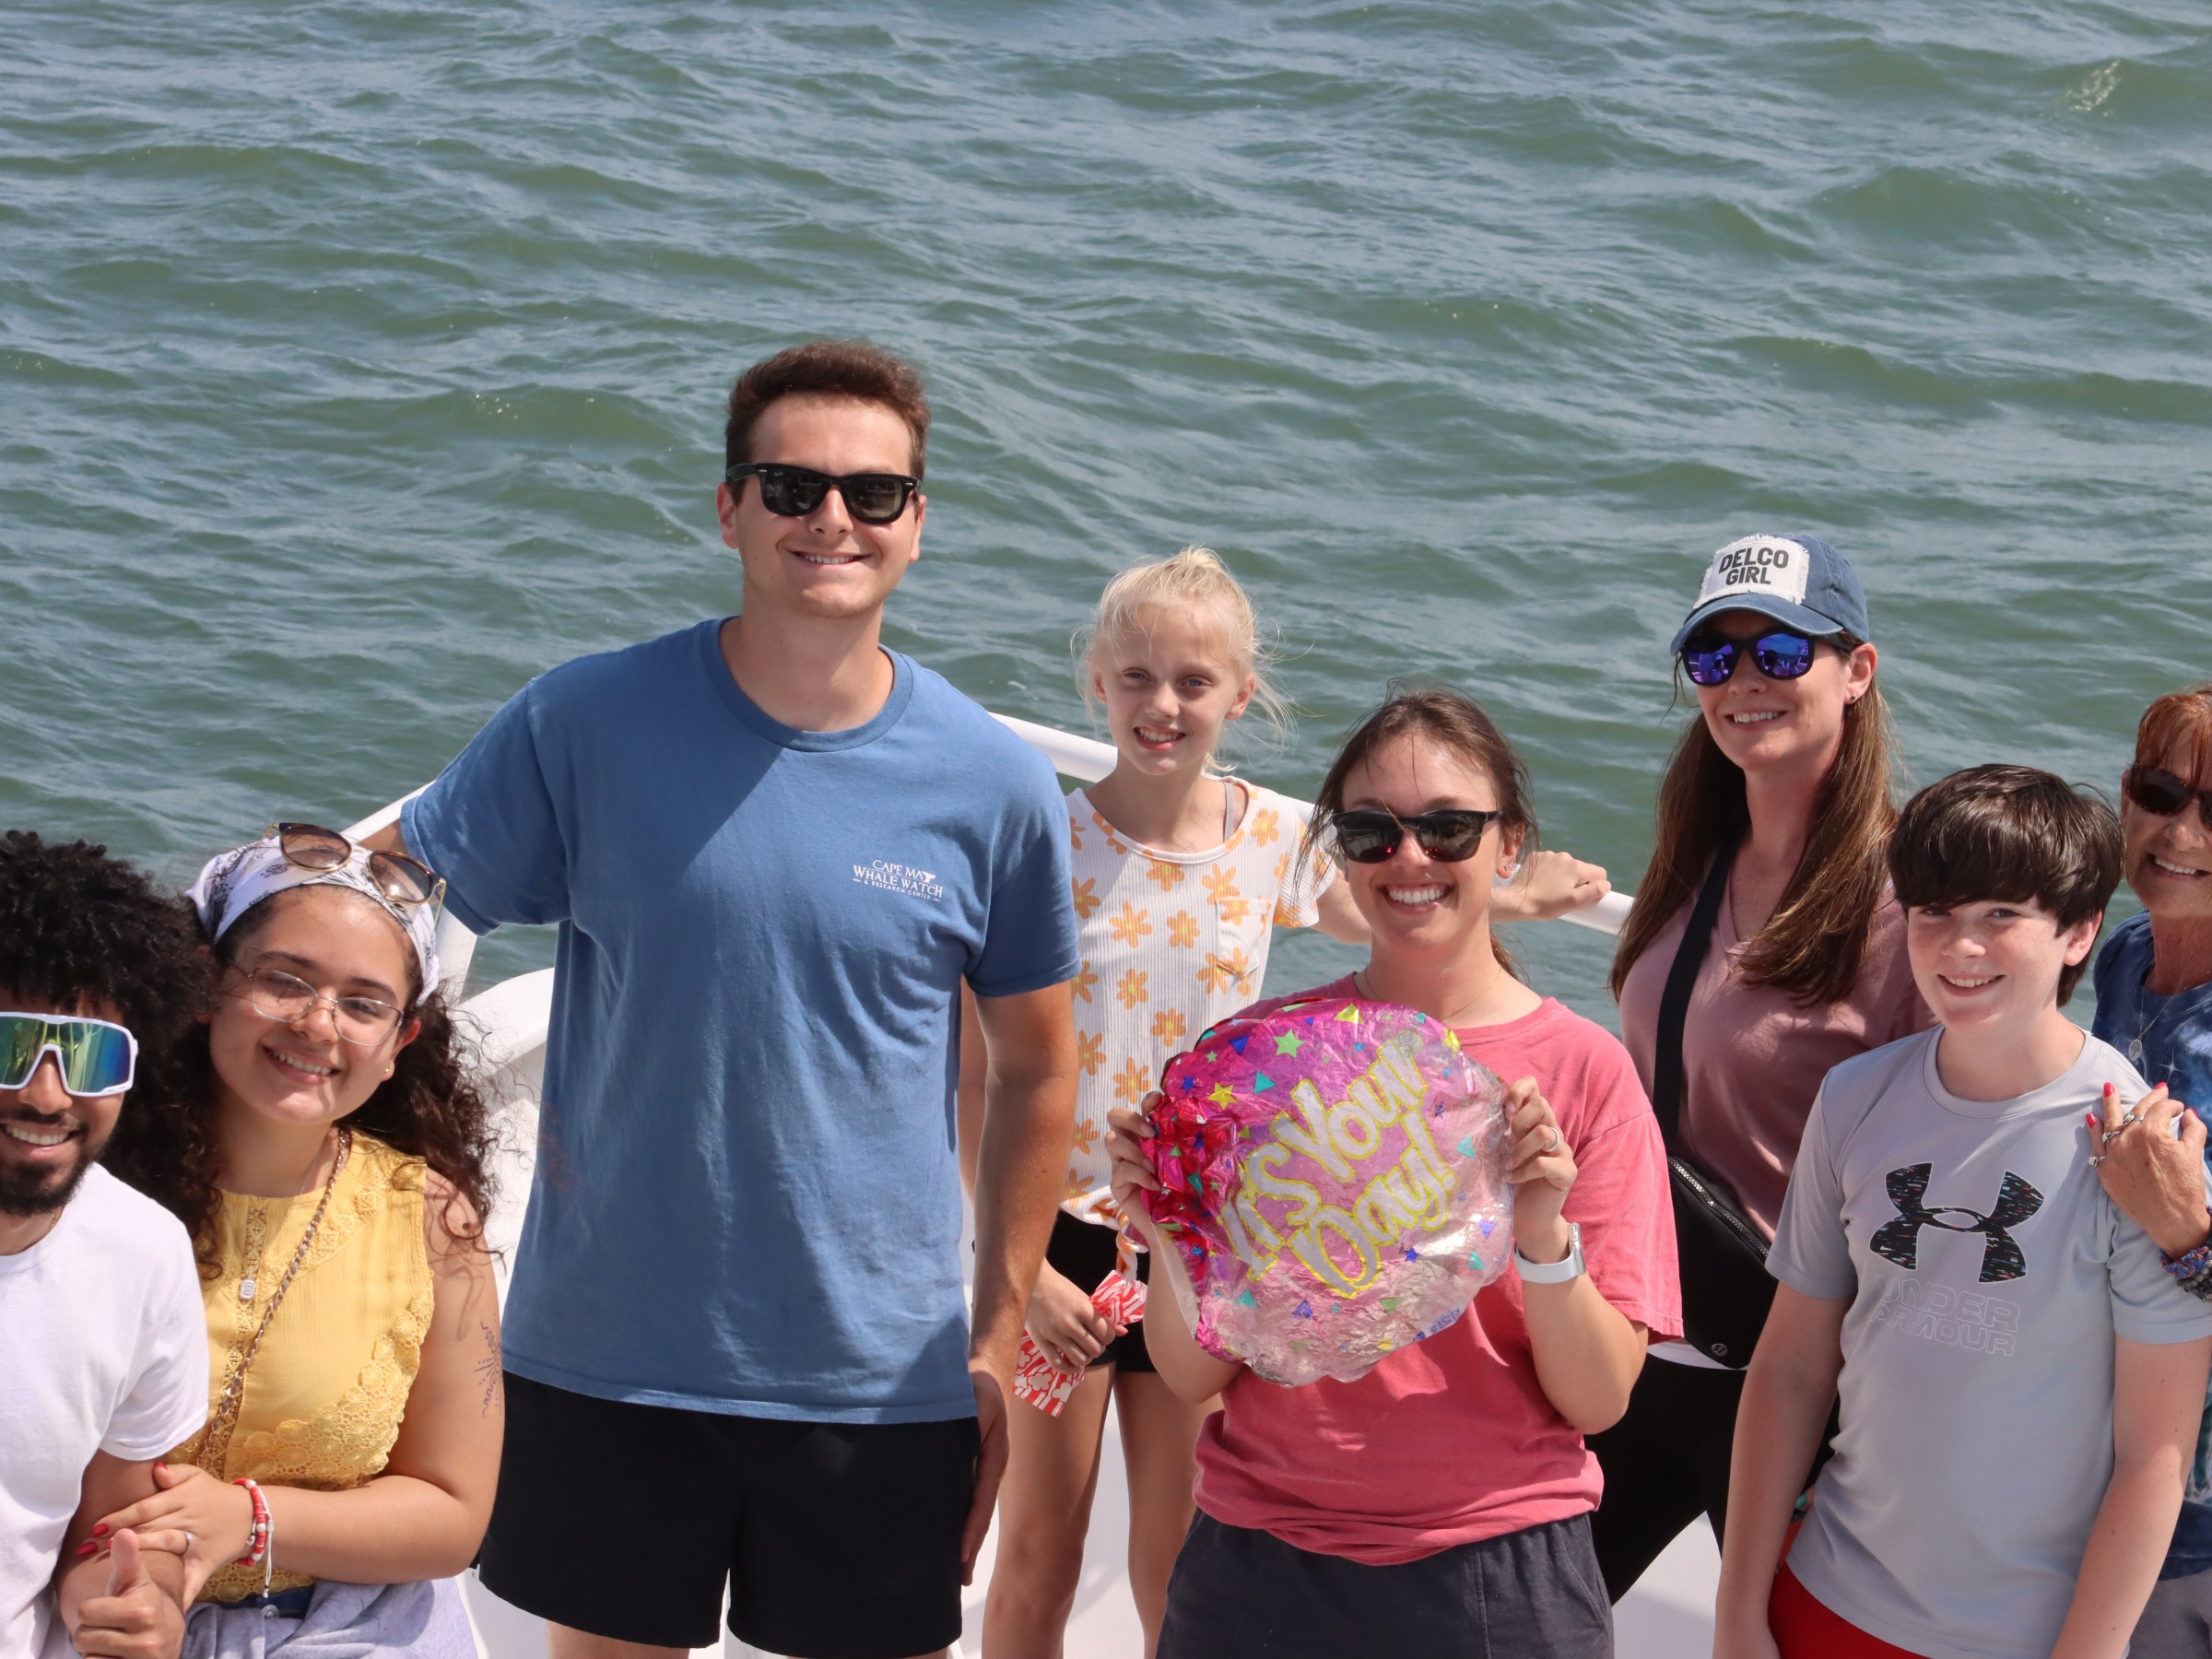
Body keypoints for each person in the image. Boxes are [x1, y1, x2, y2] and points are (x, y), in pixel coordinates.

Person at [366, 339, 1081, 1659]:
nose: (831, 520)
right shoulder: (586, 719)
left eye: (873, 494)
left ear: (918, 524)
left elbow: (1039, 1067)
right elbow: (392, 902)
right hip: (608, 1349)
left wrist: (992, 1335)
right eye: (791, 484)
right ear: (729, 507)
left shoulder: (994, 786)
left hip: (879, 1377)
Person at [1103, 688, 1679, 1659]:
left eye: (1449, 829)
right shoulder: (1256, 1062)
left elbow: (1599, 1400)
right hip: (1259, 1553)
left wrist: (1542, 1238)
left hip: (1498, 1573)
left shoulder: (1584, 1068)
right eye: (1372, 832)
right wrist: (1163, 1228)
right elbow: (1195, 1366)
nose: (1410, 859)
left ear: (1510, 846)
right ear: (1339, 854)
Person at [1716, 765, 2212, 1659]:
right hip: (1821, 1590)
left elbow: (2154, 1457)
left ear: (2079, 933)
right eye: (1934, 913)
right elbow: (1790, 1366)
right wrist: (1738, 1612)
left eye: (2001, 917)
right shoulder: (1855, 1097)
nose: (1960, 949)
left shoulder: (2140, 1150)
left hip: (2022, 1634)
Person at [1593, 533, 1930, 1596]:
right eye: (1713, 658)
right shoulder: (1700, 843)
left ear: (1856, 671)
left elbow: (1932, 1165)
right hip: (1635, 1341)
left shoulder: (1905, 907)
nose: (1743, 682)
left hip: (1779, 1375)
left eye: (1781, 654)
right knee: (1520, 1619)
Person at [87, 827, 499, 1653]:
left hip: (350, 1627)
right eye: (285, 981)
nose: (318, 1023)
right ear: (205, 983)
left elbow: (453, 1512)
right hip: (93, 1608)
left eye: (363, 1003)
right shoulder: (85, 1182)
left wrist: (249, 1520)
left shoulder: (429, 1217)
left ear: (398, 1045)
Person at [0, 831, 206, 1659]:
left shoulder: (145, 1258)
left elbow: (99, 1540)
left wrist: (133, 1608)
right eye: (10, 1045)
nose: (47, 1095)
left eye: (89, 1054)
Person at [2083, 684, 2212, 1655]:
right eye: (2163, 789)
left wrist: (2188, 1234)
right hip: (2104, 1465)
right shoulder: (2123, 958)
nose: (2183, 830)